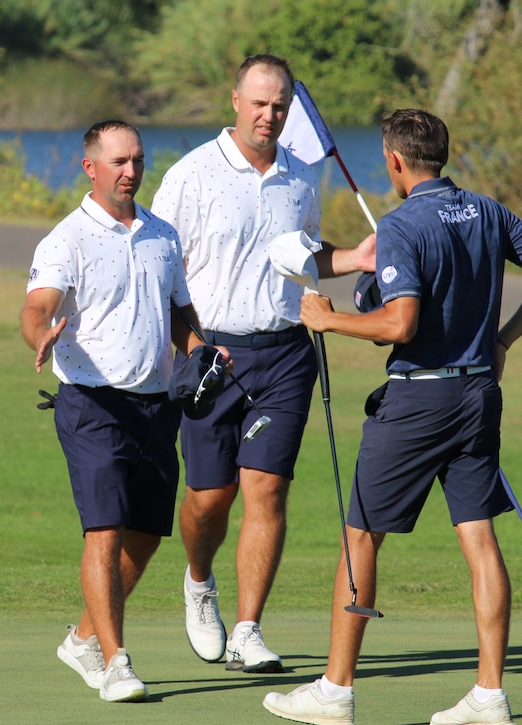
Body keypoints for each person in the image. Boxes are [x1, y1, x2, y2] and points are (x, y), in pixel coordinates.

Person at [263, 108, 522, 725]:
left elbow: (398, 324)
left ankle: (335, 690)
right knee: (479, 537)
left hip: (419, 402)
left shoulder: (403, 224)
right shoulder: (487, 210)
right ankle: (489, 696)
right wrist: (503, 340)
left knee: (361, 538)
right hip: (478, 395)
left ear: (396, 162)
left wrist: (330, 321)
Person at [150, 54, 374, 674]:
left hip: (284, 354)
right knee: (207, 497)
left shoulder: (303, 177)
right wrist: (187, 346)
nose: (268, 115)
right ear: (235, 100)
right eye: (258, 102)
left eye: (279, 105)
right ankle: (199, 580)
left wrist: (353, 257)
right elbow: (161, 271)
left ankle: (248, 629)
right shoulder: (192, 175)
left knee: (267, 490)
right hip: (211, 354)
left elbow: (303, 253)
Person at [20, 120, 216, 703]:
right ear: (91, 168)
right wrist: (40, 335)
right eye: (119, 162)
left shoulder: (162, 235)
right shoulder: (66, 240)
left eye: (137, 159)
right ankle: (115, 661)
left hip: (156, 406)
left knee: (147, 535)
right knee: (103, 531)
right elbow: (39, 306)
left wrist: (200, 350)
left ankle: (83, 636)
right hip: (90, 403)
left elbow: (180, 314)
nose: (131, 171)